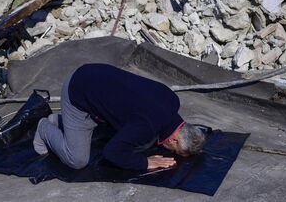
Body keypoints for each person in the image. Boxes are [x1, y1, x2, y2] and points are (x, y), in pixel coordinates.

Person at [33, 63, 206, 171]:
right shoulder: (146, 126)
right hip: (78, 93)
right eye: (175, 151)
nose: (171, 152)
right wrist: (144, 163)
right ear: (174, 141)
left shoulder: (172, 101)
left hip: (96, 74)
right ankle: (44, 128)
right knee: (77, 159)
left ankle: (60, 122)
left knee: (140, 141)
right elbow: (112, 152)